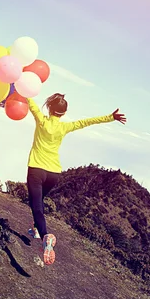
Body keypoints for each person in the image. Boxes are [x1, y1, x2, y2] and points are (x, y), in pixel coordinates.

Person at [25, 93, 126, 265]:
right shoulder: (65, 127)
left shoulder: (41, 120)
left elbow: (29, 99)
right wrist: (111, 117)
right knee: (40, 201)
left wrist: (17, 85)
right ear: (63, 113)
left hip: (36, 169)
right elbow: (87, 122)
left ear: (49, 108)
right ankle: (36, 230)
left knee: (36, 206)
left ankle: (44, 236)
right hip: (54, 173)